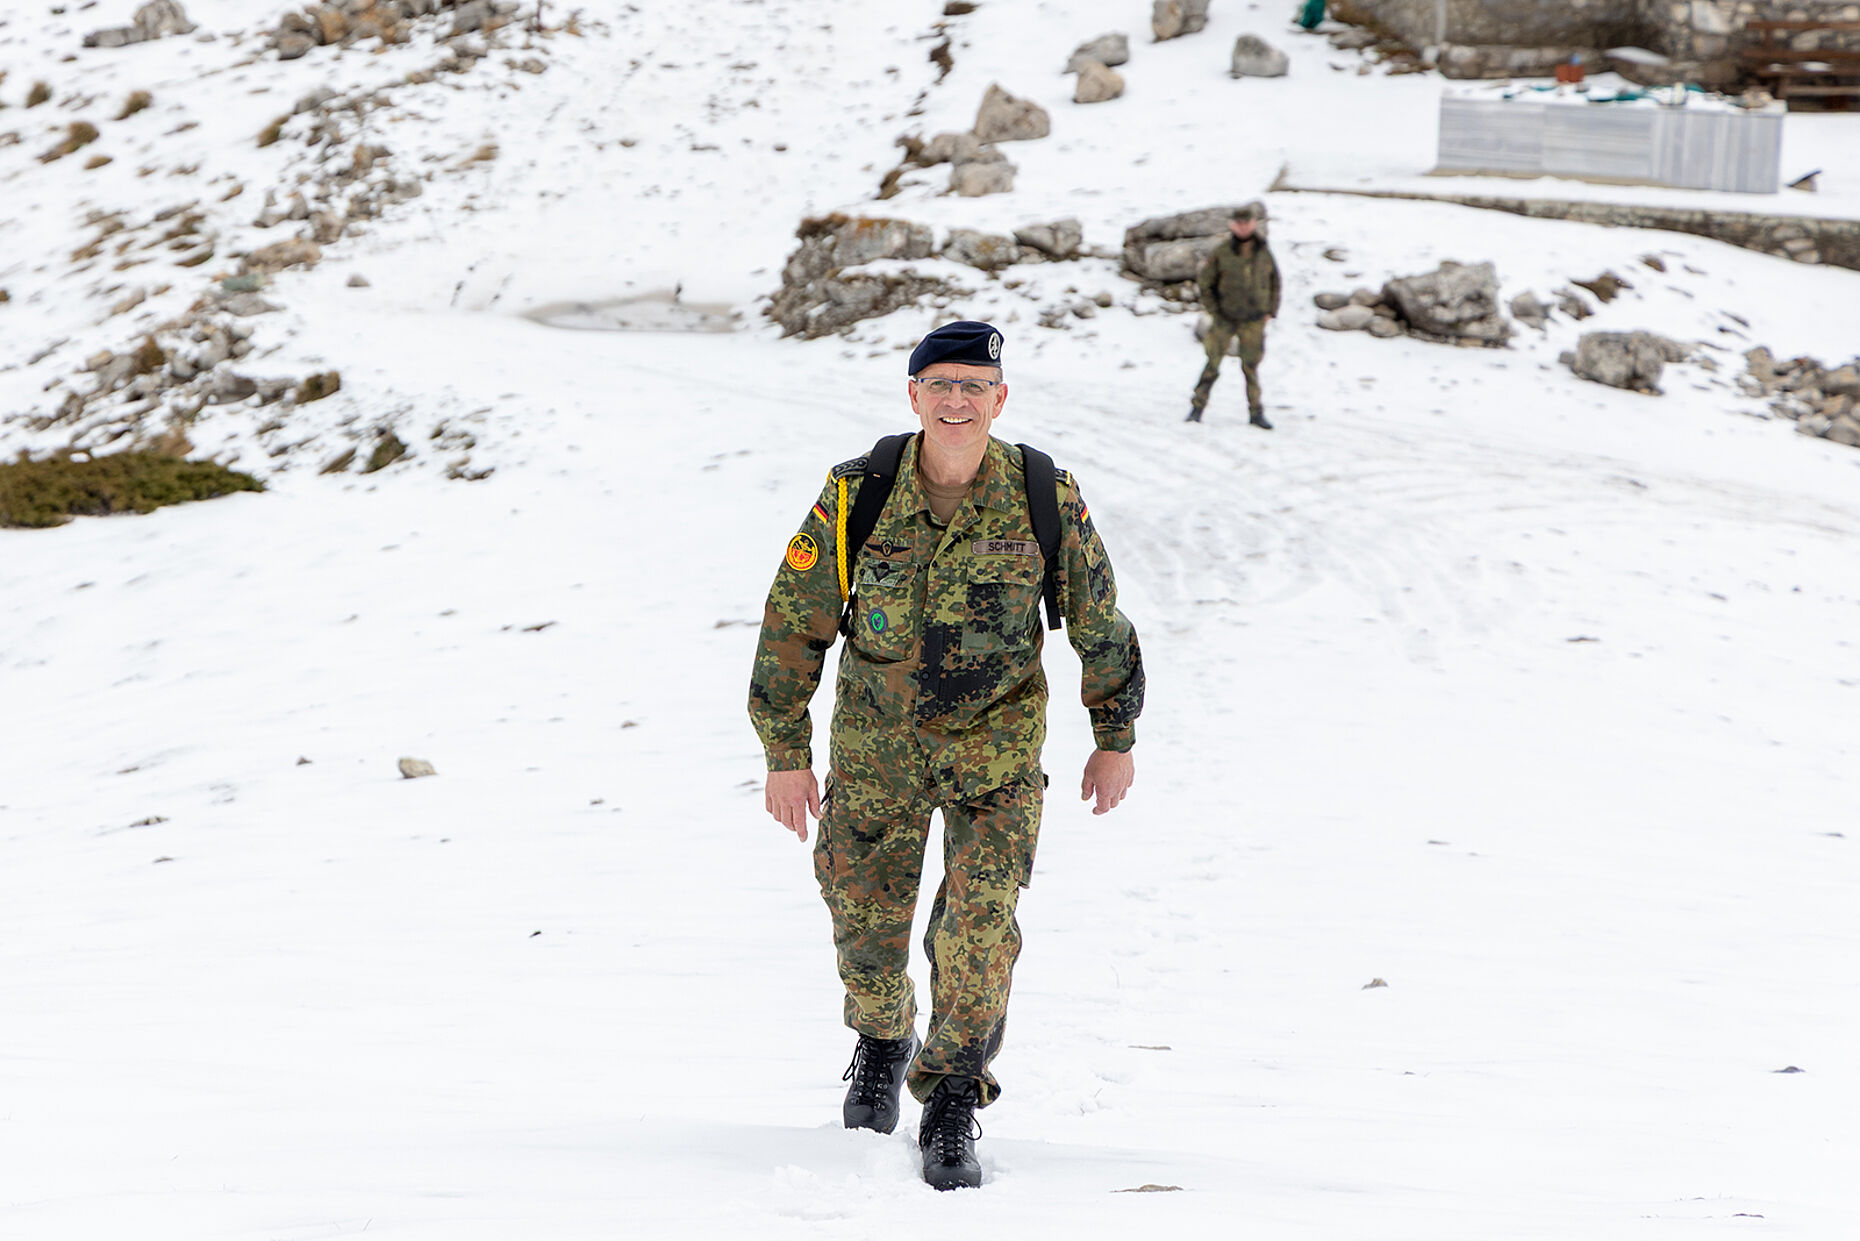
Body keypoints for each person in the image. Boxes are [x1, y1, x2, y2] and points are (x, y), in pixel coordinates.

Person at [748, 320, 1145, 1191]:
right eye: (942, 385)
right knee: (864, 934)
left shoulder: (1043, 492)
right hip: (875, 758)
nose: (957, 401)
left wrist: (1113, 737)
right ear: (915, 395)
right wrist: (786, 749)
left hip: (994, 763)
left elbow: (1099, 621)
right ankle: (885, 1035)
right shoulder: (859, 491)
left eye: (975, 386)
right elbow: (793, 621)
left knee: (978, 931)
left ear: (999, 399)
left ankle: (954, 1091)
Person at [1188, 200, 1281, 428]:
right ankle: (1197, 407)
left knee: (1251, 367)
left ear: (1253, 224)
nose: (1242, 227)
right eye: (1238, 223)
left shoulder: (1263, 251)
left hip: (1254, 320)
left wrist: (1271, 310)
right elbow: (1205, 282)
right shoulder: (1222, 252)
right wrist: (1214, 309)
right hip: (1225, 318)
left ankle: (1256, 413)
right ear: (1232, 225)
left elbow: (1274, 281)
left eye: (1246, 223)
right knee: (1212, 363)